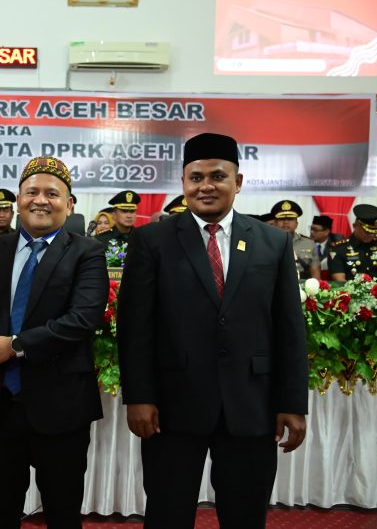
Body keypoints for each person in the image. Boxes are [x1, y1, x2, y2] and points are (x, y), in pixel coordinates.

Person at [118, 133, 308, 529]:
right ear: (184, 182)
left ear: (238, 182)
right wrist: (138, 397)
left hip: (251, 406)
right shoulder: (152, 240)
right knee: (168, 513)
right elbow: (135, 326)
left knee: (245, 515)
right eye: (196, 177)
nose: (206, 185)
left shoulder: (272, 242)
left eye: (218, 176)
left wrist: (292, 402)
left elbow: (290, 328)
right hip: (171, 407)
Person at [0, 156, 108, 528]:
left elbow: (81, 320)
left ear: (69, 205)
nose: (41, 200)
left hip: (61, 406)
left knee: (62, 512)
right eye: (32, 191)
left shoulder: (87, 252)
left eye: (52, 193)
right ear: (18, 200)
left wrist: (15, 345)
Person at [329, 204, 377, 282]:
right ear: (355, 226)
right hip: (351, 292)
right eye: (367, 232)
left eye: (375, 232)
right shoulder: (338, 248)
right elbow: (340, 281)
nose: (371, 235)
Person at [271, 200, 320, 280]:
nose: (286, 222)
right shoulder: (266, 242)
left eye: (290, 219)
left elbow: (315, 273)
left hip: (301, 285)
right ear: (275, 223)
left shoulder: (309, 243)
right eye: (282, 219)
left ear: (296, 224)